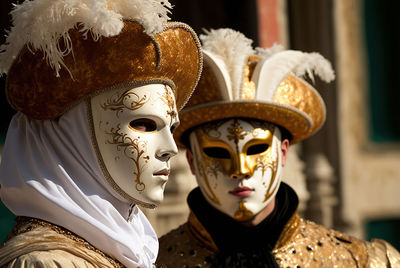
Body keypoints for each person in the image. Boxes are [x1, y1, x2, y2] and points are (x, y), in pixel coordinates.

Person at [156, 28, 400, 267]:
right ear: (191, 162)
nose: (240, 170)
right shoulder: (150, 263)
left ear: (283, 152)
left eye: (256, 149)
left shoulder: (359, 262)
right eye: (217, 152)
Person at [0, 0, 202, 267]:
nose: (170, 148)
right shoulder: (43, 262)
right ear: (75, 137)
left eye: (171, 127)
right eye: (144, 124)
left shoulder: (127, 248)